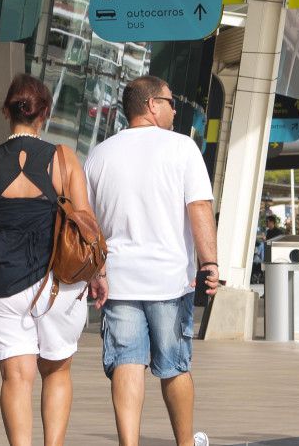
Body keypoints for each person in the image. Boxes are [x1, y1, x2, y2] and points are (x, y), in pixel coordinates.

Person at [85, 76, 218, 446]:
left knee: (126, 362)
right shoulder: (182, 148)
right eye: (171, 101)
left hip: (119, 280)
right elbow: (200, 209)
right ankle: (185, 443)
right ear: (151, 105)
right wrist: (210, 263)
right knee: (174, 365)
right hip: (169, 279)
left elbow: (89, 224)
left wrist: (97, 271)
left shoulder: (99, 154)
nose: (176, 109)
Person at [0, 75, 98, 446]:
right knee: (56, 372)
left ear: (6, 111)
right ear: (45, 113)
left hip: (2, 284)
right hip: (57, 284)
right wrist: (99, 274)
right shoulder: (63, 158)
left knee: (16, 378)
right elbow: (85, 221)